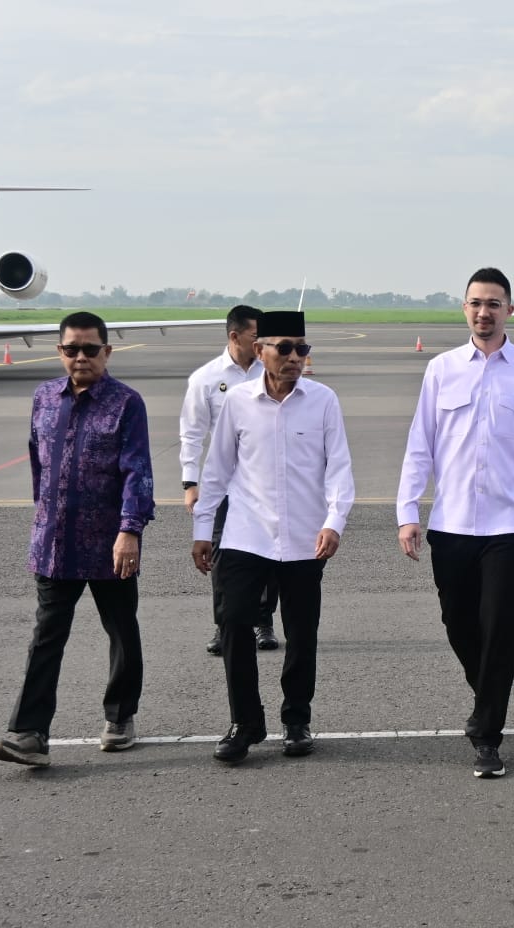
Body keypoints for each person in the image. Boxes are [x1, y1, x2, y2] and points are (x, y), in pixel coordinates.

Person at [397, 268, 514, 779]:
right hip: (451, 522)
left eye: (494, 303)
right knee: (458, 622)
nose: (484, 311)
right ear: (464, 309)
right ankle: (486, 692)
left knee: (500, 628)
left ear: (510, 310)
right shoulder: (442, 369)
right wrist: (408, 512)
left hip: (509, 524)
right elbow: (420, 444)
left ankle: (488, 731)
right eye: (475, 303)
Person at [0, 311, 155, 767]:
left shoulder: (126, 402)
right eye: (70, 349)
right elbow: (37, 461)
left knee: (121, 630)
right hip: (54, 542)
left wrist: (129, 531)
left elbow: (137, 471)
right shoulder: (44, 397)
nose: (80, 357)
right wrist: (43, 516)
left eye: (89, 349)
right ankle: (28, 733)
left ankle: (121, 717)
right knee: (46, 636)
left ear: (107, 351)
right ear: (59, 351)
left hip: (109, 543)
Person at [192, 311, 355, 763]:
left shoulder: (323, 401)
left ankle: (296, 719)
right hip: (247, 535)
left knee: (302, 633)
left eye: (302, 349)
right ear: (259, 349)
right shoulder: (239, 402)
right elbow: (218, 469)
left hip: (305, 539)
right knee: (233, 622)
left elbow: (339, 467)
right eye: (283, 348)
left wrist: (334, 521)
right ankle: (246, 721)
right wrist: (203, 529)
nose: (294, 357)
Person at [180, 305, 280, 656]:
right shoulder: (205, 379)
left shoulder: (272, 373)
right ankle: (225, 625)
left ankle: (263, 621)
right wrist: (190, 483)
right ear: (235, 336)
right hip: (223, 484)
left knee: (269, 552)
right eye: (257, 337)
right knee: (223, 556)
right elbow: (191, 435)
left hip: (266, 482)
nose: (262, 343)